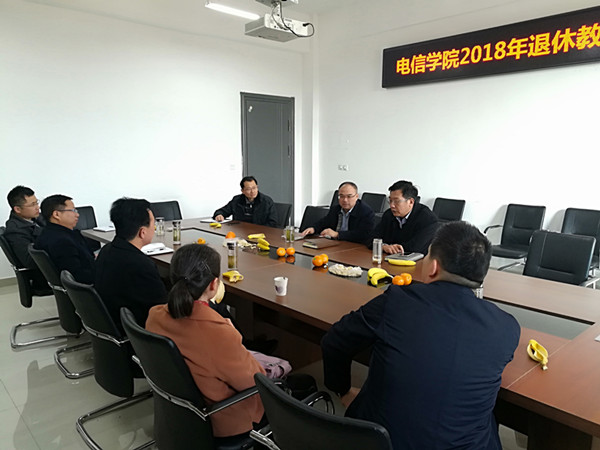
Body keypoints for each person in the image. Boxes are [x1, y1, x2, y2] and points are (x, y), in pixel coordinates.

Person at [322, 221, 520, 450]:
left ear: (433, 267)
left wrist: (344, 390)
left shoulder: (397, 301)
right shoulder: (507, 327)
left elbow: (334, 341)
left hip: (383, 442)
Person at [146, 243, 266, 439]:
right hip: (221, 420)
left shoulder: (154, 316)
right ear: (213, 285)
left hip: (179, 414)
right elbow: (256, 381)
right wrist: (234, 336)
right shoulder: (218, 332)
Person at [95, 198, 167, 330]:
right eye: (153, 224)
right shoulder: (141, 265)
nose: (154, 228)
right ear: (142, 232)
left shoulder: (106, 250)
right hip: (135, 330)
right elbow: (163, 309)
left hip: (110, 320)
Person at [34, 194, 95, 284]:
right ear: (56, 214)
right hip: (89, 285)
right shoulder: (62, 242)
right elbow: (78, 275)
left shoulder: (48, 233)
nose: (77, 215)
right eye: (73, 210)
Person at [368, 180, 438, 254]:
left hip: (415, 260)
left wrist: (392, 248)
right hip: (388, 257)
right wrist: (383, 246)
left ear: (411, 202)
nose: (392, 205)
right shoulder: (389, 215)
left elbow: (416, 248)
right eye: (390, 201)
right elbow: (371, 238)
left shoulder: (428, 219)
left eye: (396, 201)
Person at [300, 181, 375, 243]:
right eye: (341, 196)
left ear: (356, 197)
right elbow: (324, 222)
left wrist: (337, 234)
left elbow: (363, 234)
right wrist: (313, 229)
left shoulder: (366, 211)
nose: (345, 200)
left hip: (355, 247)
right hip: (337, 244)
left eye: (349, 196)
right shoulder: (336, 209)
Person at [4, 186, 47, 289]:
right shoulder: (15, 230)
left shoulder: (36, 218)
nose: (37, 207)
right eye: (33, 205)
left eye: (37, 202)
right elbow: (29, 261)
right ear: (18, 209)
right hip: (44, 276)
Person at [213, 176, 278, 227]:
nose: (252, 191)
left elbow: (273, 222)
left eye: (254, 188)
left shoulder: (266, 201)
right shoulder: (236, 200)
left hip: (260, 233)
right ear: (242, 191)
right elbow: (223, 211)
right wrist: (219, 215)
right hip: (240, 232)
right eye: (248, 189)